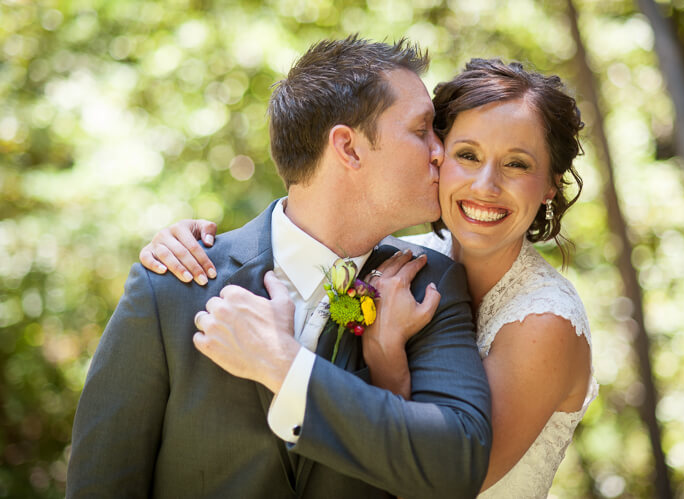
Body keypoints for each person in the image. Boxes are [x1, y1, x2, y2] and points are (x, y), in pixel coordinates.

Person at [143, 58, 597, 498]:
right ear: (439, 156)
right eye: (466, 154)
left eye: (517, 164)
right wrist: (198, 246)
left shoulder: (544, 323)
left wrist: (375, 354)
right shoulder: (397, 262)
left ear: (551, 184)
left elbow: (441, 483)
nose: (485, 185)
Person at [66, 37, 493, 499]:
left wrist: (284, 365)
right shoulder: (171, 288)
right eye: (422, 130)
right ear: (348, 148)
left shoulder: (431, 285)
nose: (440, 152)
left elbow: (457, 463)